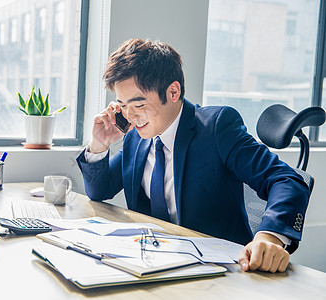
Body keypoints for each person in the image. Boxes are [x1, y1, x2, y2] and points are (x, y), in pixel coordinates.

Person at [76, 38, 310, 273]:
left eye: (138, 105)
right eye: (122, 105)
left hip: (221, 269)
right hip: (153, 263)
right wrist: (99, 145)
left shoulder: (216, 127)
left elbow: (287, 179)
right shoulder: (137, 137)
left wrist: (269, 238)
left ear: (173, 91)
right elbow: (100, 190)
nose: (131, 116)